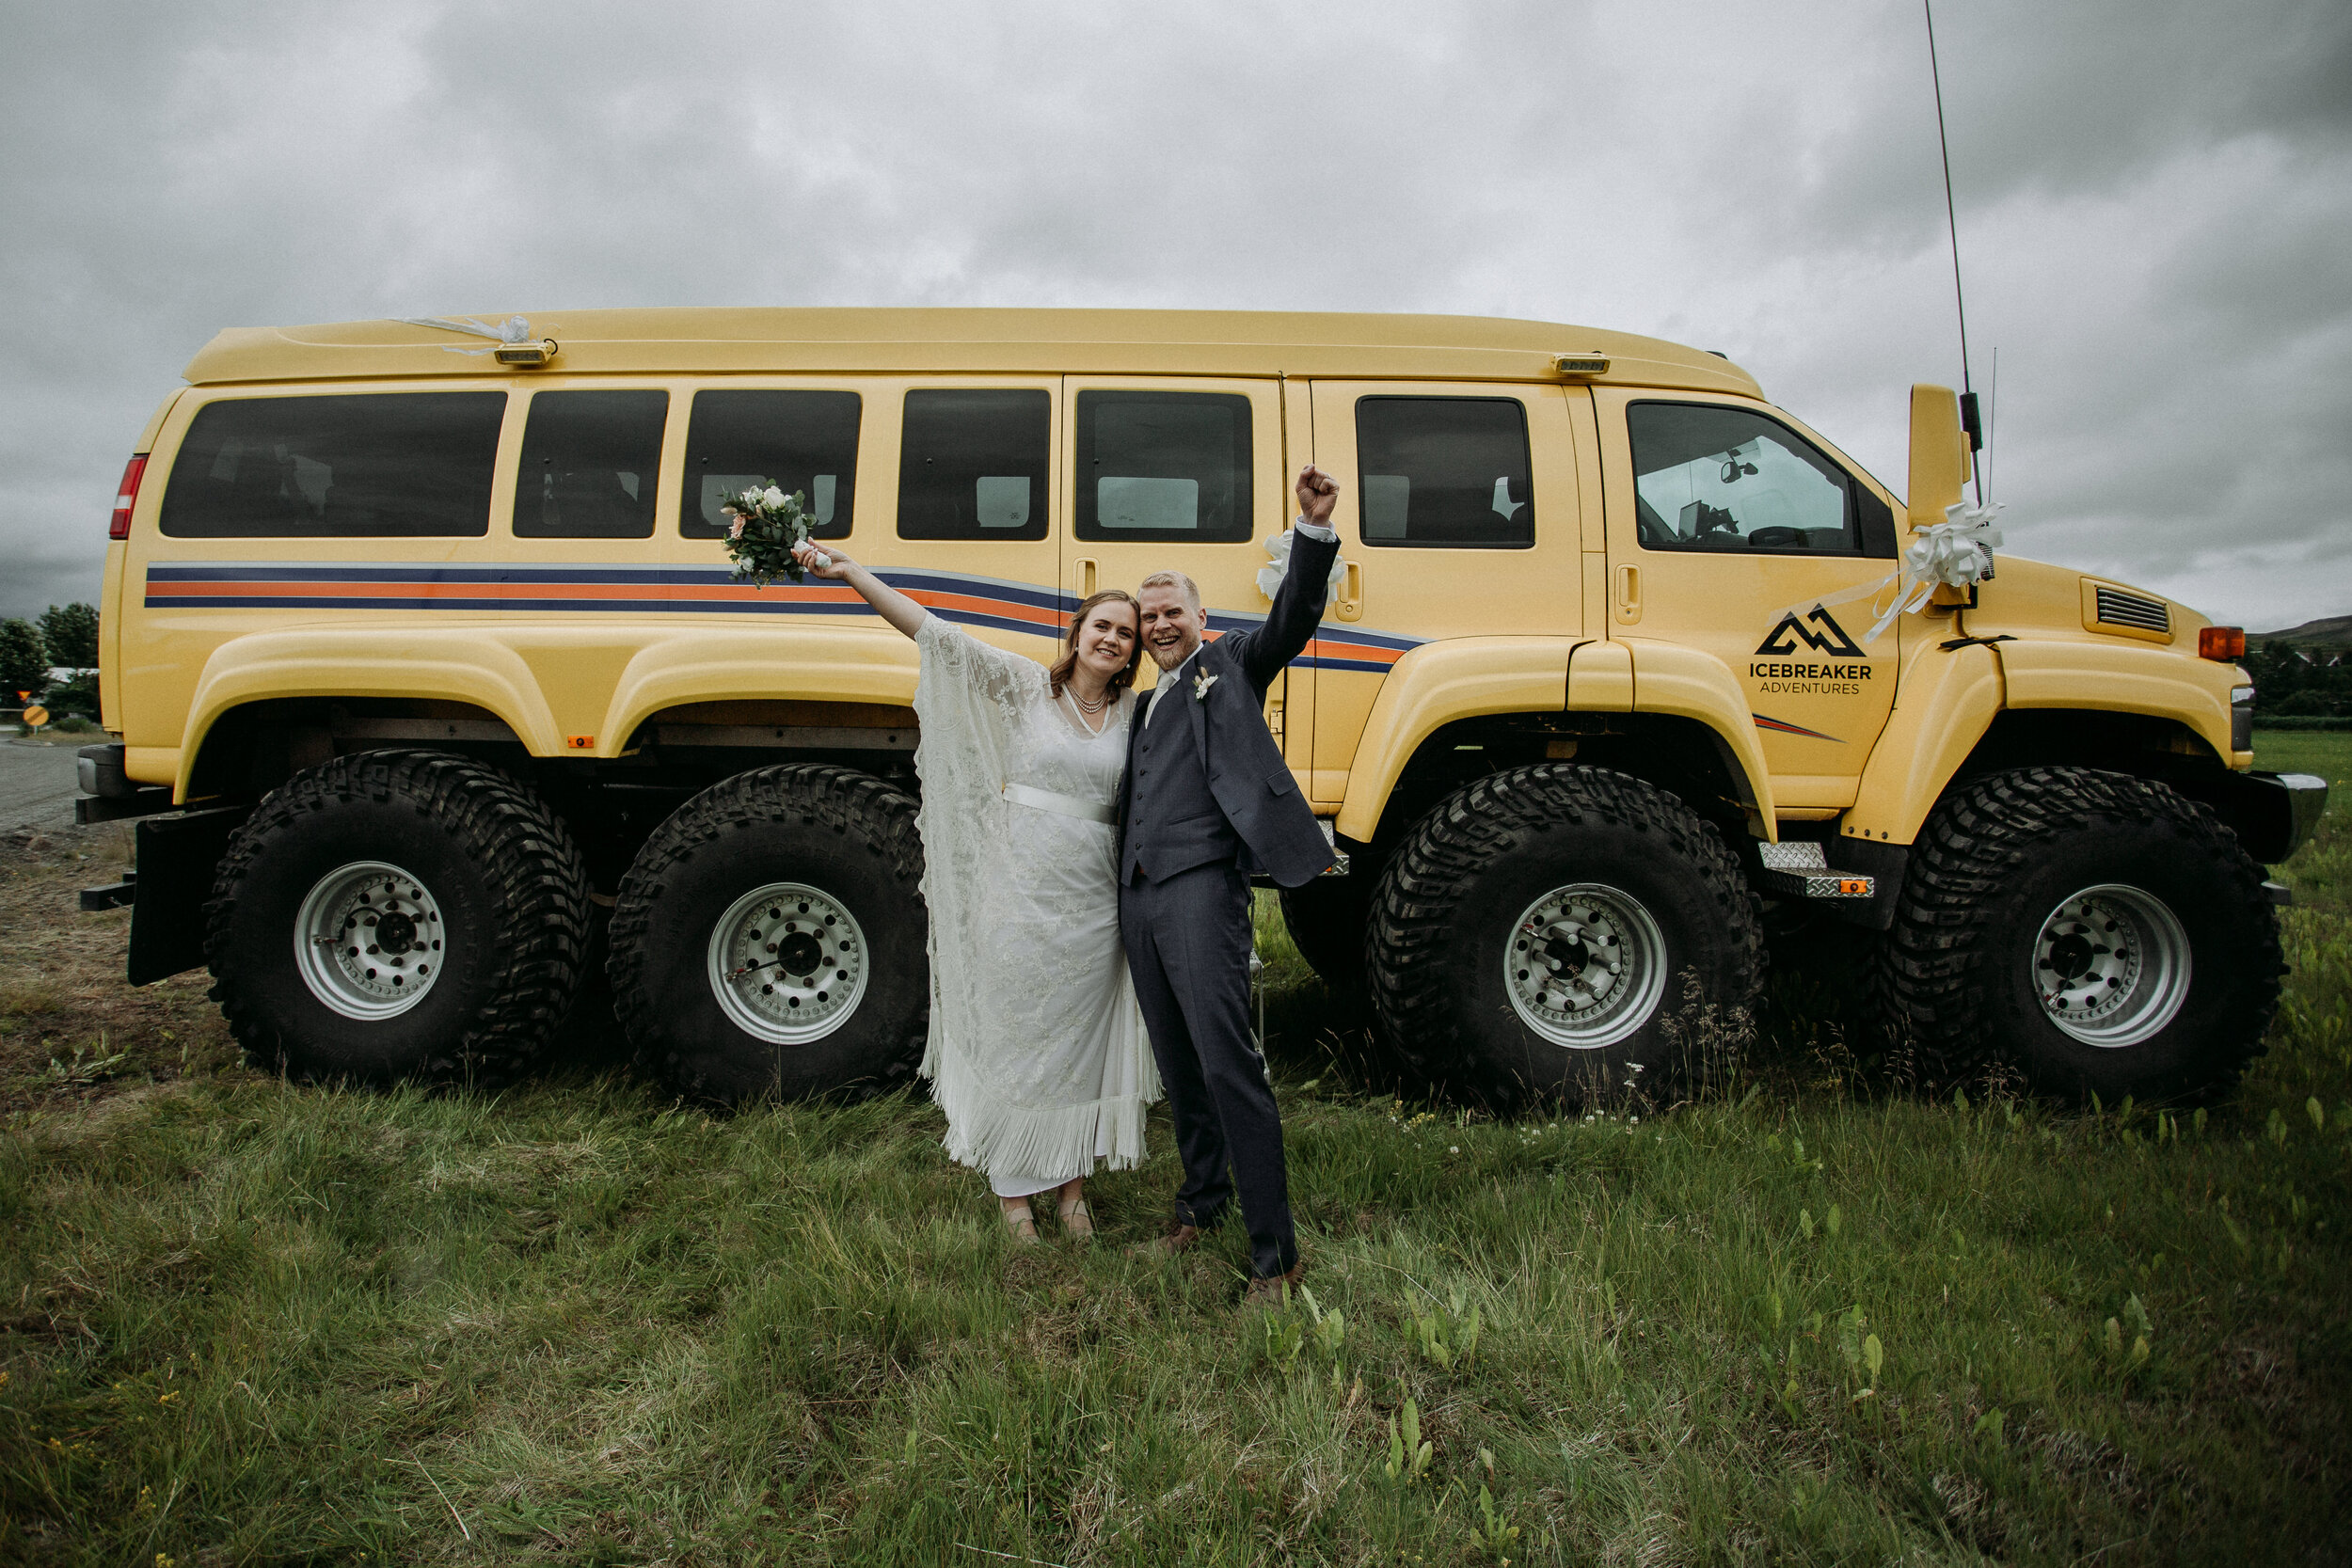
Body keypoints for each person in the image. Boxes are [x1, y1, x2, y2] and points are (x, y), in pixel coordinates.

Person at [790, 537, 1158, 1243]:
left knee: (1077, 1042)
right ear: (1077, 632)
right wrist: (852, 574)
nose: (1113, 638)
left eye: (1126, 633)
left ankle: (1071, 1186)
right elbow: (935, 634)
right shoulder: (1026, 686)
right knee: (1016, 1035)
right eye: (1102, 625)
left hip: (1092, 907)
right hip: (1018, 890)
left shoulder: (1134, 715)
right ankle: (1014, 1193)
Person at [1121, 464, 1343, 1309]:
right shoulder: (1142, 706)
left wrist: (1312, 533)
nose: (1159, 623)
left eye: (1173, 609)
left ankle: (1275, 1257)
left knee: (1228, 1065)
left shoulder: (1234, 665)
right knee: (1178, 1066)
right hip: (1138, 901)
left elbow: (1294, 617)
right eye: (1148, 616)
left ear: (1201, 617)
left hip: (1203, 892)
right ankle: (1201, 1201)